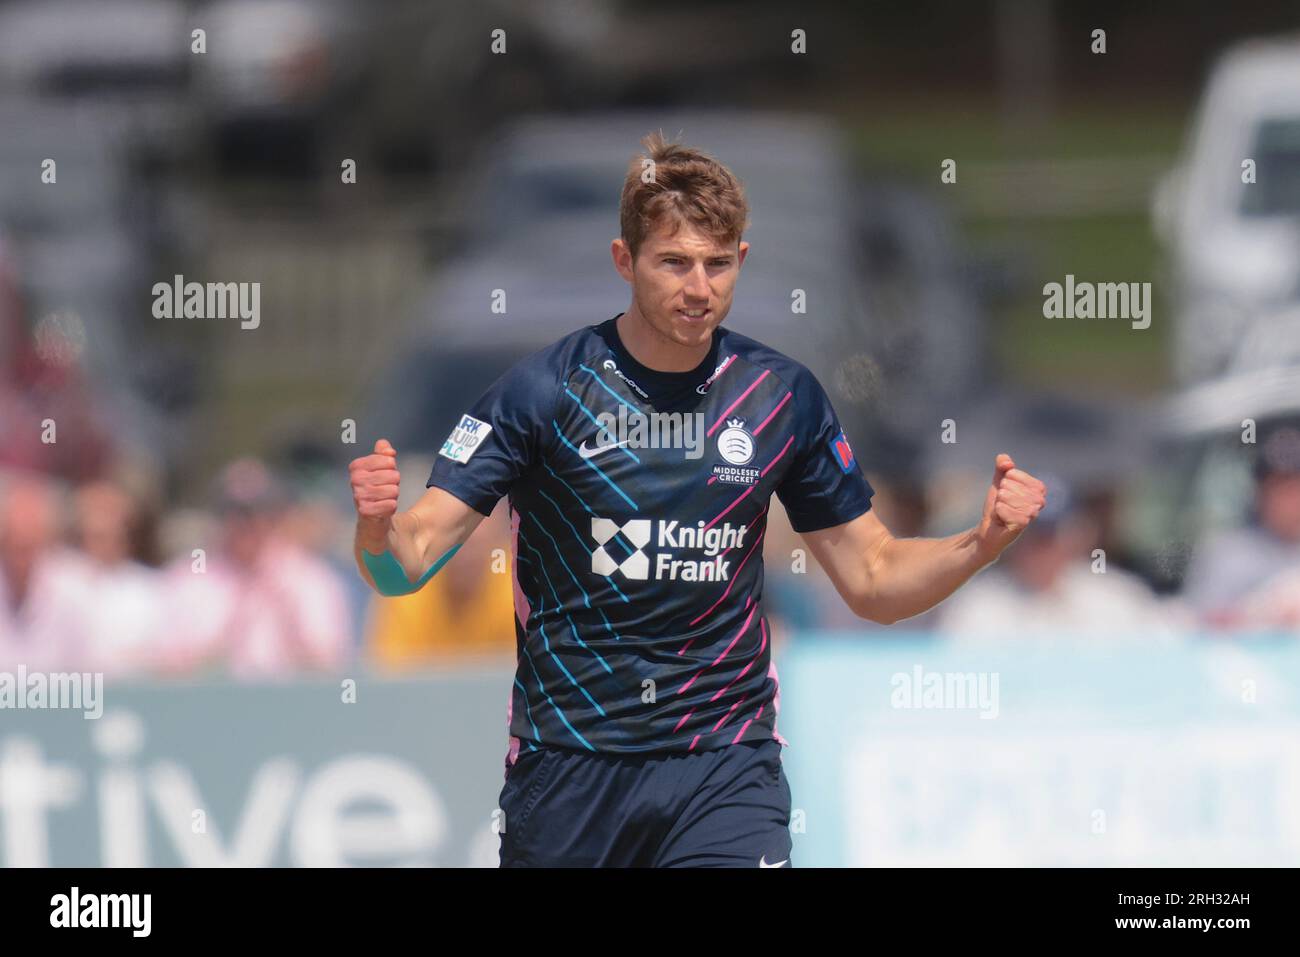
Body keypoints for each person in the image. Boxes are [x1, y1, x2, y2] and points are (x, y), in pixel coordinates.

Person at [347, 131, 1047, 868]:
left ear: (741, 261)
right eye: (674, 262)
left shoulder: (780, 397)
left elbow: (873, 579)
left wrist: (979, 543)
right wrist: (376, 528)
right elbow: (405, 565)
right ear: (625, 262)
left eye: (717, 265)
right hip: (571, 771)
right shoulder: (543, 392)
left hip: (724, 763)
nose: (698, 287)